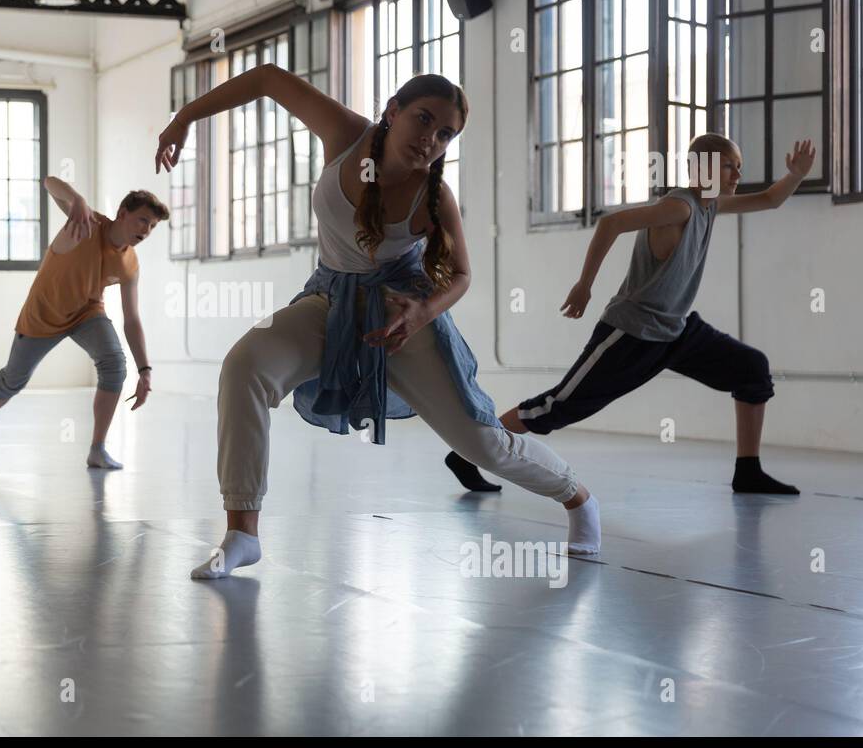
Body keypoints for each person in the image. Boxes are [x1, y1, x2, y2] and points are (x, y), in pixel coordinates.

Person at [156, 69, 602, 579]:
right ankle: (242, 533)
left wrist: (422, 313)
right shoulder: (345, 135)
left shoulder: (431, 194)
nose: (430, 140)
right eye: (423, 120)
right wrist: (184, 117)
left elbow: (460, 275)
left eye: (445, 134)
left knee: (481, 444)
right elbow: (266, 79)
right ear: (392, 110)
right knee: (244, 366)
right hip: (329, 298)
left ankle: (578, 499)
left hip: (399, 314)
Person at [446, 132, 816, 496]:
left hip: (677, 331)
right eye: (728, 167)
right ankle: (469, 452)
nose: (736, 175)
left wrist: (795, 175)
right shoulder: (680, 206)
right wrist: (584, 285)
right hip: (632, 333)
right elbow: (611, 223)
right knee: (555, 407)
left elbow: (769, 199)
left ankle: (748, 473)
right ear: (701, 169)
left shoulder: (711, 204)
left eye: (738, 167)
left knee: (751, 368)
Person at [0, 175, 166, 469]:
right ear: (123, 214)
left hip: (87, 312)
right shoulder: (87, 224)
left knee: (114, 364)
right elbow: (49, 182)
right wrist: (78, 199)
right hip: (44, 313)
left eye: (152, 226)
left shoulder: (130, 263)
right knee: (13, 379)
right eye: (142, 221)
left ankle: (97, 449)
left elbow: (132, 319)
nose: (146, 230)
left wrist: (145, 370)